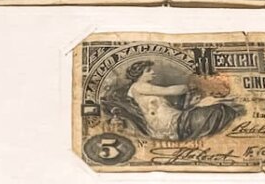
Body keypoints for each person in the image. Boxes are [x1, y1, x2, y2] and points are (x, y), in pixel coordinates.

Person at [102, 60, 243, 141]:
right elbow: (173, 90)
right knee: (219, 111)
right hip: (170, 124)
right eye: (148, 71)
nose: (153, 72)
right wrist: (196, 84)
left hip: (176, 119)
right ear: (139, 74)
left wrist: (195, 103)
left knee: (218, 107)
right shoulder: (138, 86)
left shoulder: (143, 88)